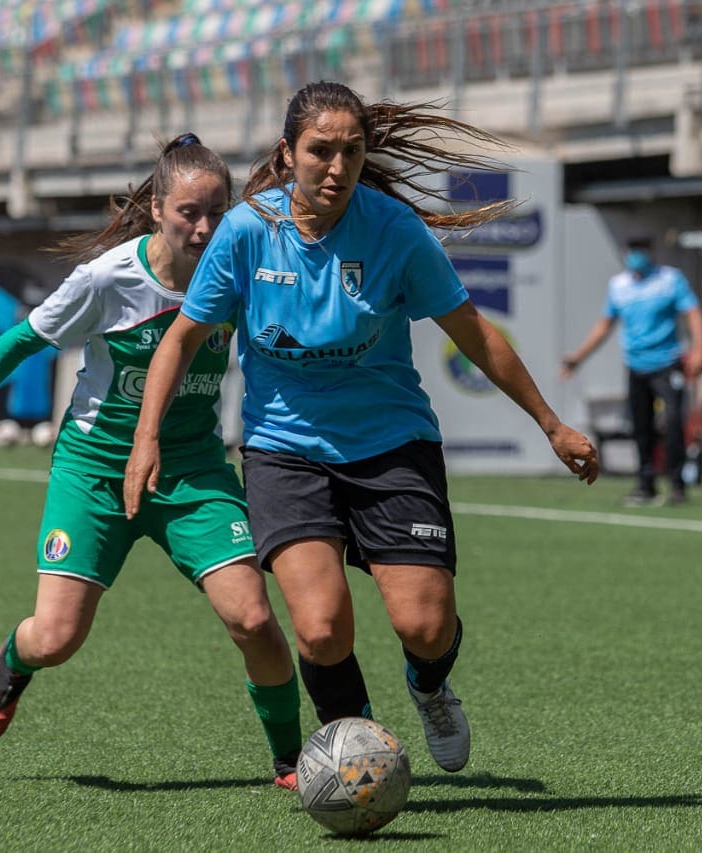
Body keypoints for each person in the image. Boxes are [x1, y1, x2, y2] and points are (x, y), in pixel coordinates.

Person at [122, 82, 598, 775]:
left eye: (351, 150)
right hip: (284, 450)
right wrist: (146, 438)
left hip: (390, 443)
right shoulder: (248, 231)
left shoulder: (394, 230)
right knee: (319, 627)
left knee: (426, 627)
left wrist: (552, 425)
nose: (337, 167)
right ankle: (363, 752)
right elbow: (182, 338)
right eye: (320, 151)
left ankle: (429, 687)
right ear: (288, 155)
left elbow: (472, 332)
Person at [0, 133, 303, 790]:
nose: (203, 228)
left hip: (192, 472)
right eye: (188, 212)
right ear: (158, 207)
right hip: (95, 473)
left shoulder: (239, 270)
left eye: (216, 213)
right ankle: (12, 664)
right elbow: (17, 344)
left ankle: (291, 760)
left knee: (253, 617)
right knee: (55, 637)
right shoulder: (108, 278)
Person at [560, 236, 702, 506]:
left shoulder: (670, 280)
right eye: (632, 251)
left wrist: (698, 350)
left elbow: (693, 313)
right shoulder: (619, 286)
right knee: (642, 428)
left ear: (651, 252)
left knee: (674, 422)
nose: (636, 256)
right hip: (636, 366)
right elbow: (605, 324)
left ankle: (677, 485)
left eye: (642, 251)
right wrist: (578, 358)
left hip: (668, 363)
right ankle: (646, 485)